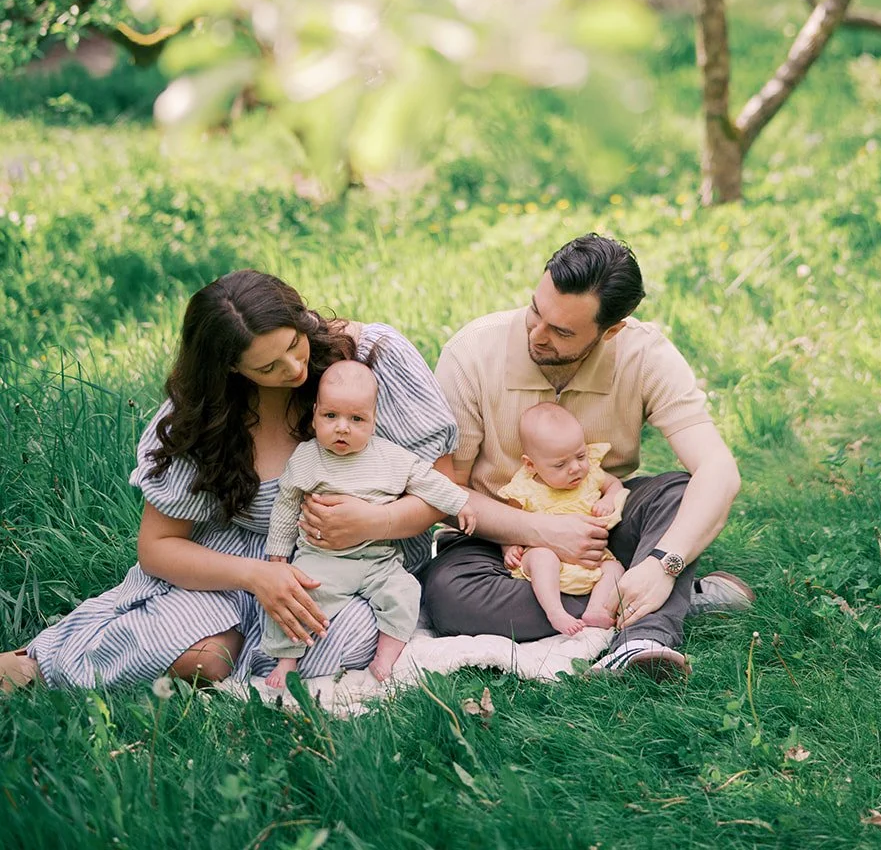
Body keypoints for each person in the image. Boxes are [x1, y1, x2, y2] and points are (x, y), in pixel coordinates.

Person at [0, 270, 460, 692]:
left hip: (359, 564)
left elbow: (442, 489)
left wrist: (373, 523)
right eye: (268, 368)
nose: (295, 370)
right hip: (237, 561)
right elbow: (158, 545)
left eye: (294, 344)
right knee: (201, 660)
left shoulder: (369, 362)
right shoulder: (207, 417)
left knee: (336, 643)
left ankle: (261, 652)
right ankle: (40, 663)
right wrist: (258, 575)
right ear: (231, 369)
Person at [424, 232, 752, 680]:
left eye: (561, 331)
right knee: (447, 595)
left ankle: (644, 636)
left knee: (678, 492)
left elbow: (718, 471)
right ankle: (672, 598)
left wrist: (663, 563)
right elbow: (445, 492)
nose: (536, 335)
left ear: (612, 330)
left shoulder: (645, 354)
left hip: (603, 531)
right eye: (536, 311)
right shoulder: (471, 355)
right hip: (501, 541)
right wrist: (539, 531)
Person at [262, 359, 475, 686]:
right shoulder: (307, 457)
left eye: (356, 418)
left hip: (378, 559)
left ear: (374, 421)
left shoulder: (390, 457)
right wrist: (278, 550)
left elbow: (426, 480)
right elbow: (286, 502)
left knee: (405, 592)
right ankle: (285, 661)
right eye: (330, 416)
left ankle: (386, 657)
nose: (342, 427)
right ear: (315, 413)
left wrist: (459, 503)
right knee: (295, 598)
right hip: (322, 559)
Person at [497, 400, 625, 637]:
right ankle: (555, 611)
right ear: (531, 464)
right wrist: (509, 548)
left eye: (580, 455)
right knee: (543, 557)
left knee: (614, 568)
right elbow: (509, 523)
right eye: (560, 464)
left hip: (589, 559)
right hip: (545, 556)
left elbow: (615, 484)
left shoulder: (591, 475)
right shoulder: (525, 488)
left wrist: (608, 499)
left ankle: (597, 608)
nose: (575, 468)